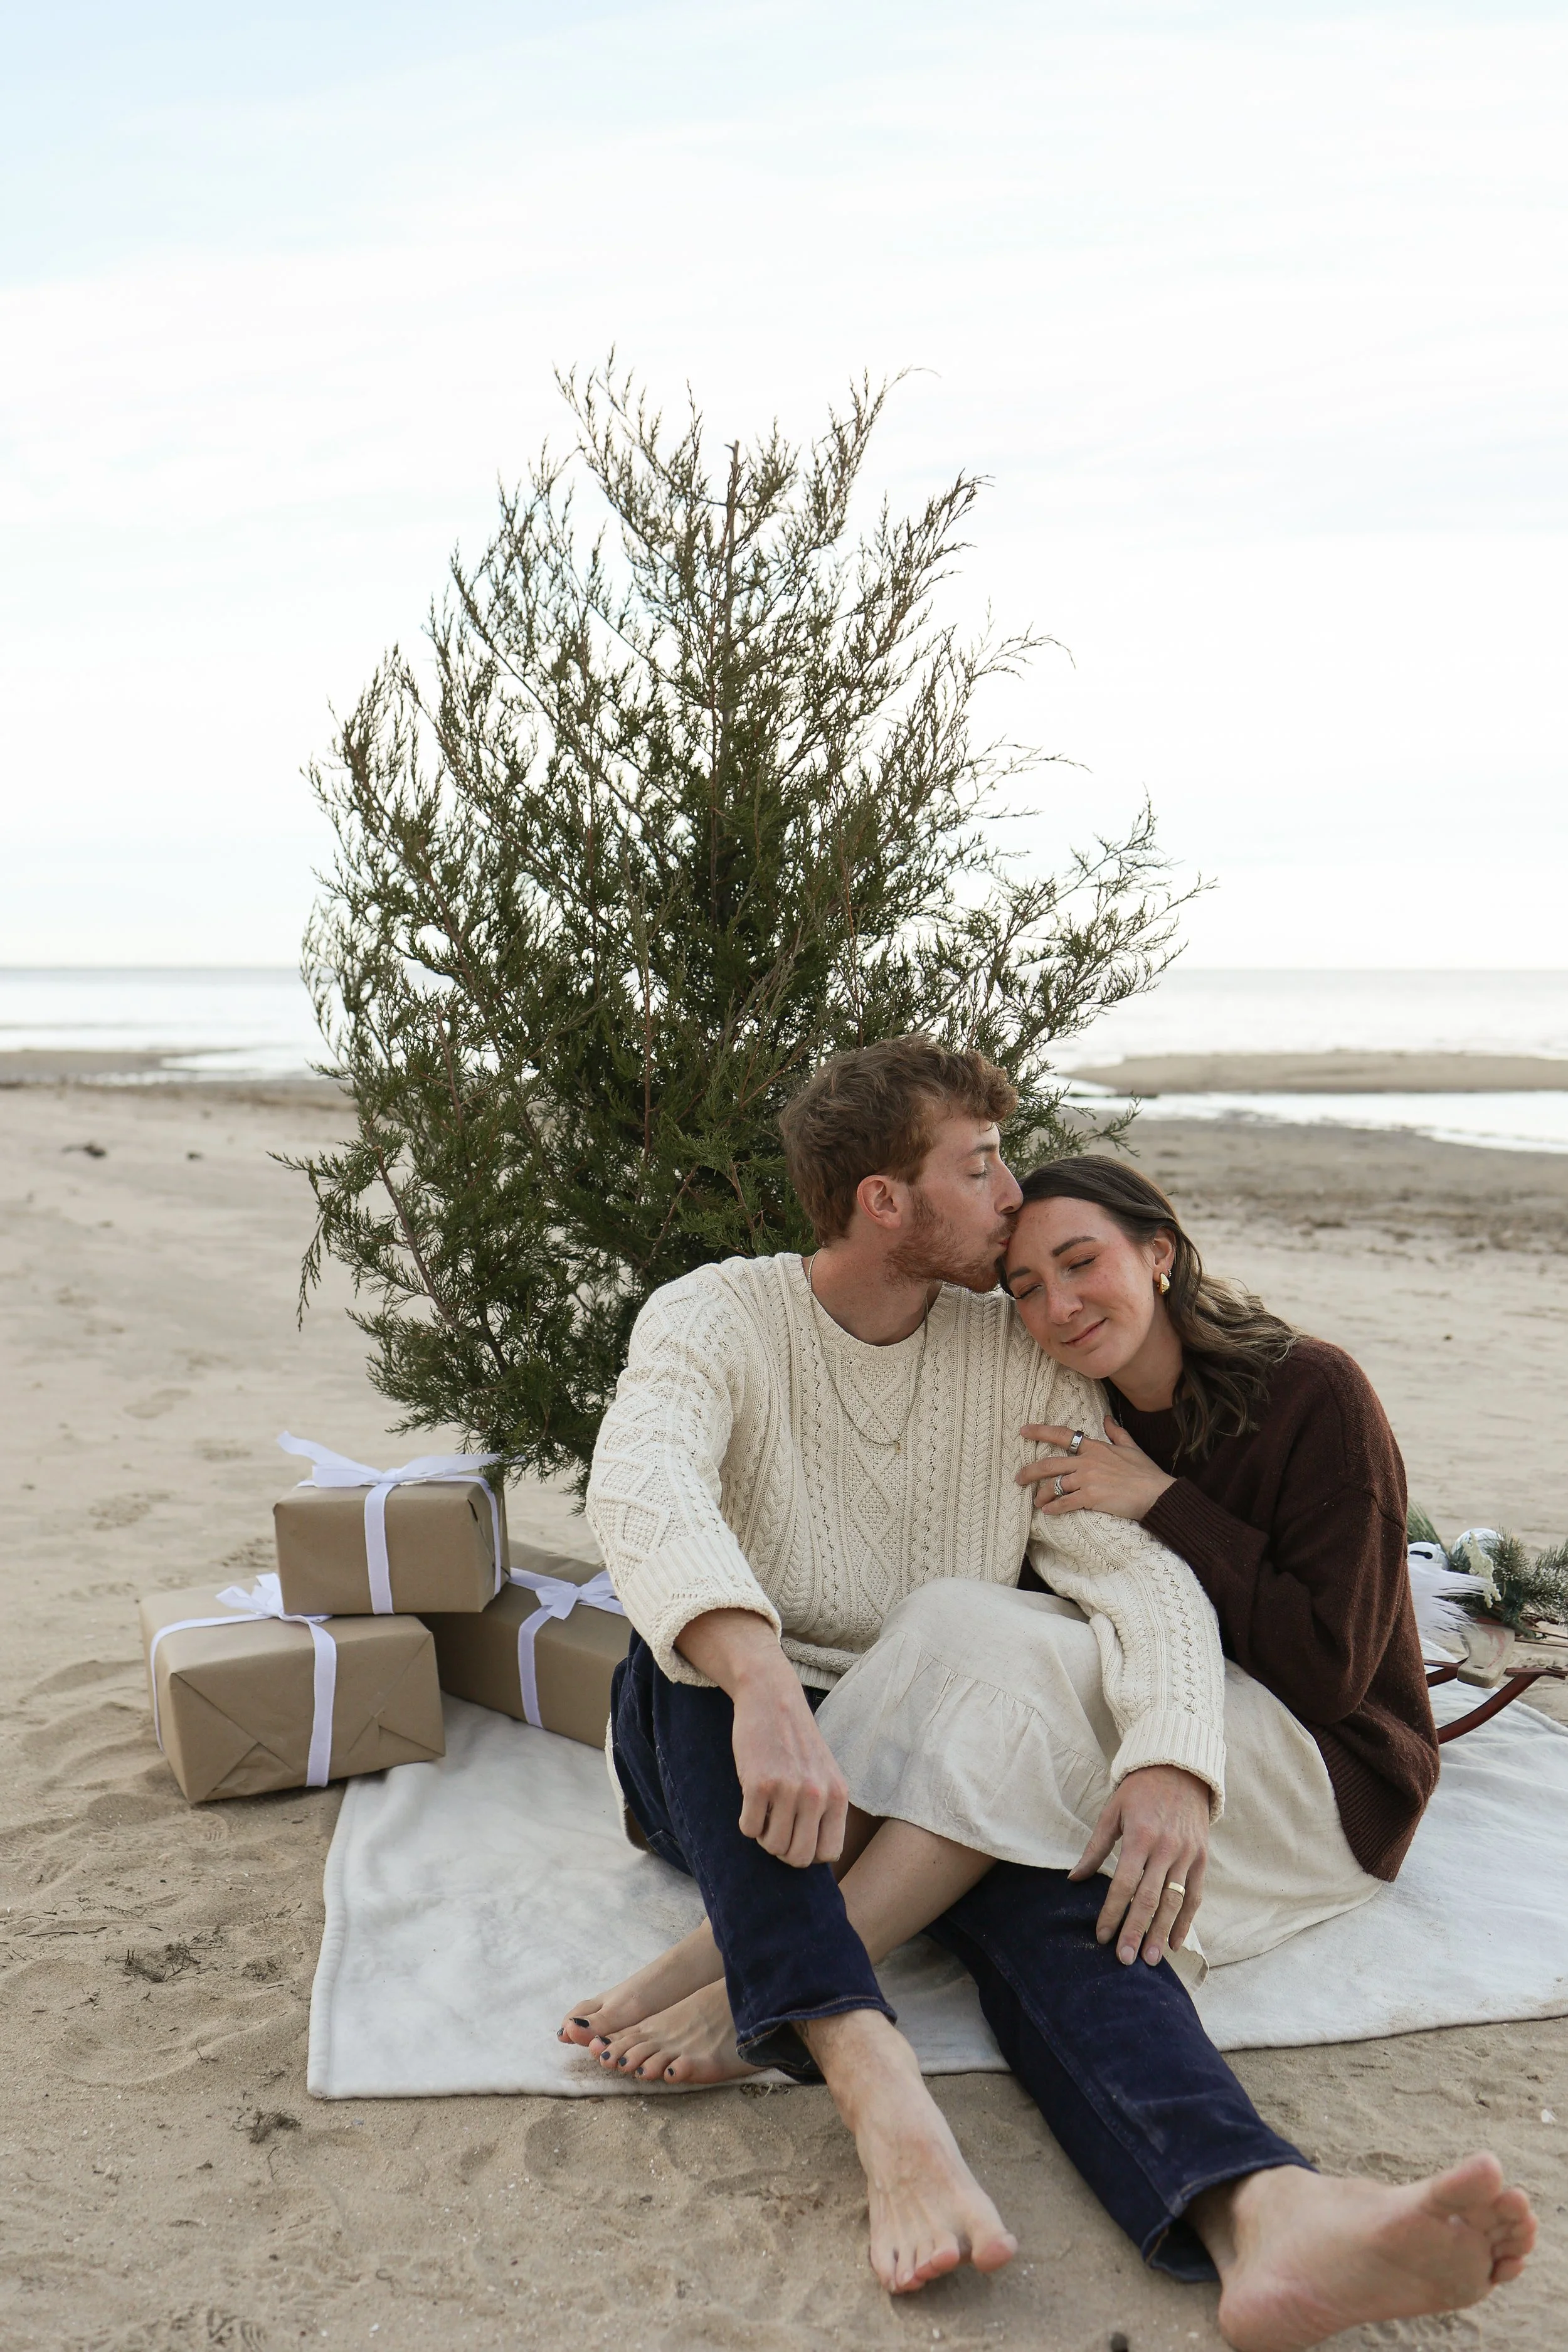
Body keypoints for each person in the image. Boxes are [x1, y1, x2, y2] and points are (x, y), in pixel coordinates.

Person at [563, 1044, 1535, 2344]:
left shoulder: (1018, 1362)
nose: (1012, 1203)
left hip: (940, 1773)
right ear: (883, 1202)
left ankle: (1257, 2211)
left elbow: (1130, 1581)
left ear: (1157, 1254)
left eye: (1069, 1253)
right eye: (980, 1171)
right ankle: (839, 2036)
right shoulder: (715, 1314)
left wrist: (1173, 1759)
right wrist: (758, 1678)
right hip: (733, 1746)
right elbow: (645, 1487)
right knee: (686, 1649)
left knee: (1070, 1902)